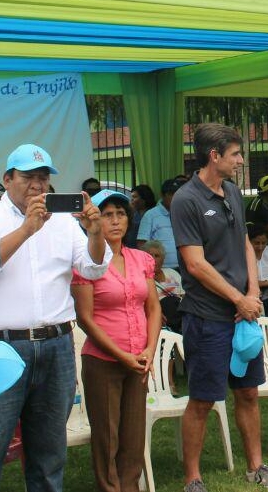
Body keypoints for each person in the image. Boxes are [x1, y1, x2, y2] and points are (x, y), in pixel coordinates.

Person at [0, 143, 111, 492]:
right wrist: (27, 229)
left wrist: (95, 231)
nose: (37, 185)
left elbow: (93, 267)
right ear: (7, 179)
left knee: (49, 450)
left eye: (43, 177)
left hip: (55, 344)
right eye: (28, 177)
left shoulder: (65, 222)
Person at [171, 123, 268, 492]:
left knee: (249, 392)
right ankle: (193, 479)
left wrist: (251, 294)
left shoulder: (234, 192)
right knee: (203, 399)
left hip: (244, 314)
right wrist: (237, 299)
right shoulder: (186, 200)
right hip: (208, 315)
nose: (241, 161)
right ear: (214, 156)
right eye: (236, 154)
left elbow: (244, 245)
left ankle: (257, 468)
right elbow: (195, 264)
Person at [72, 189, 162, 492]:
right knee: (107, 436)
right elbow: (85, 317)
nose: (114, 220)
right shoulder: (85, 262)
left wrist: (149, 350)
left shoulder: (141, 259)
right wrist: (122, 356)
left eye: (120, 214)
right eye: (106, 214)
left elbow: (152, 307)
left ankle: (130, 487)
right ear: (92, 220)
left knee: (133, 436)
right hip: (103, 360)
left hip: (139, 358)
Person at [138, 178, 184, 270]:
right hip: (160, 270)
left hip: (183, 268)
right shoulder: (151, 215)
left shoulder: (184, 214)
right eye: (171, 194)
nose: (175, 197)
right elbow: (141, 244)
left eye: (178, 194)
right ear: (162, 195)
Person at [141, 239, 185, 332]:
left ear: (163, 259)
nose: (153, 259)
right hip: (161, 318)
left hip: (181, 313)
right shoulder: (140, 279)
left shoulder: (172, 273)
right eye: (149, 255)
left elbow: (185, 294)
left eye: (157, 256)